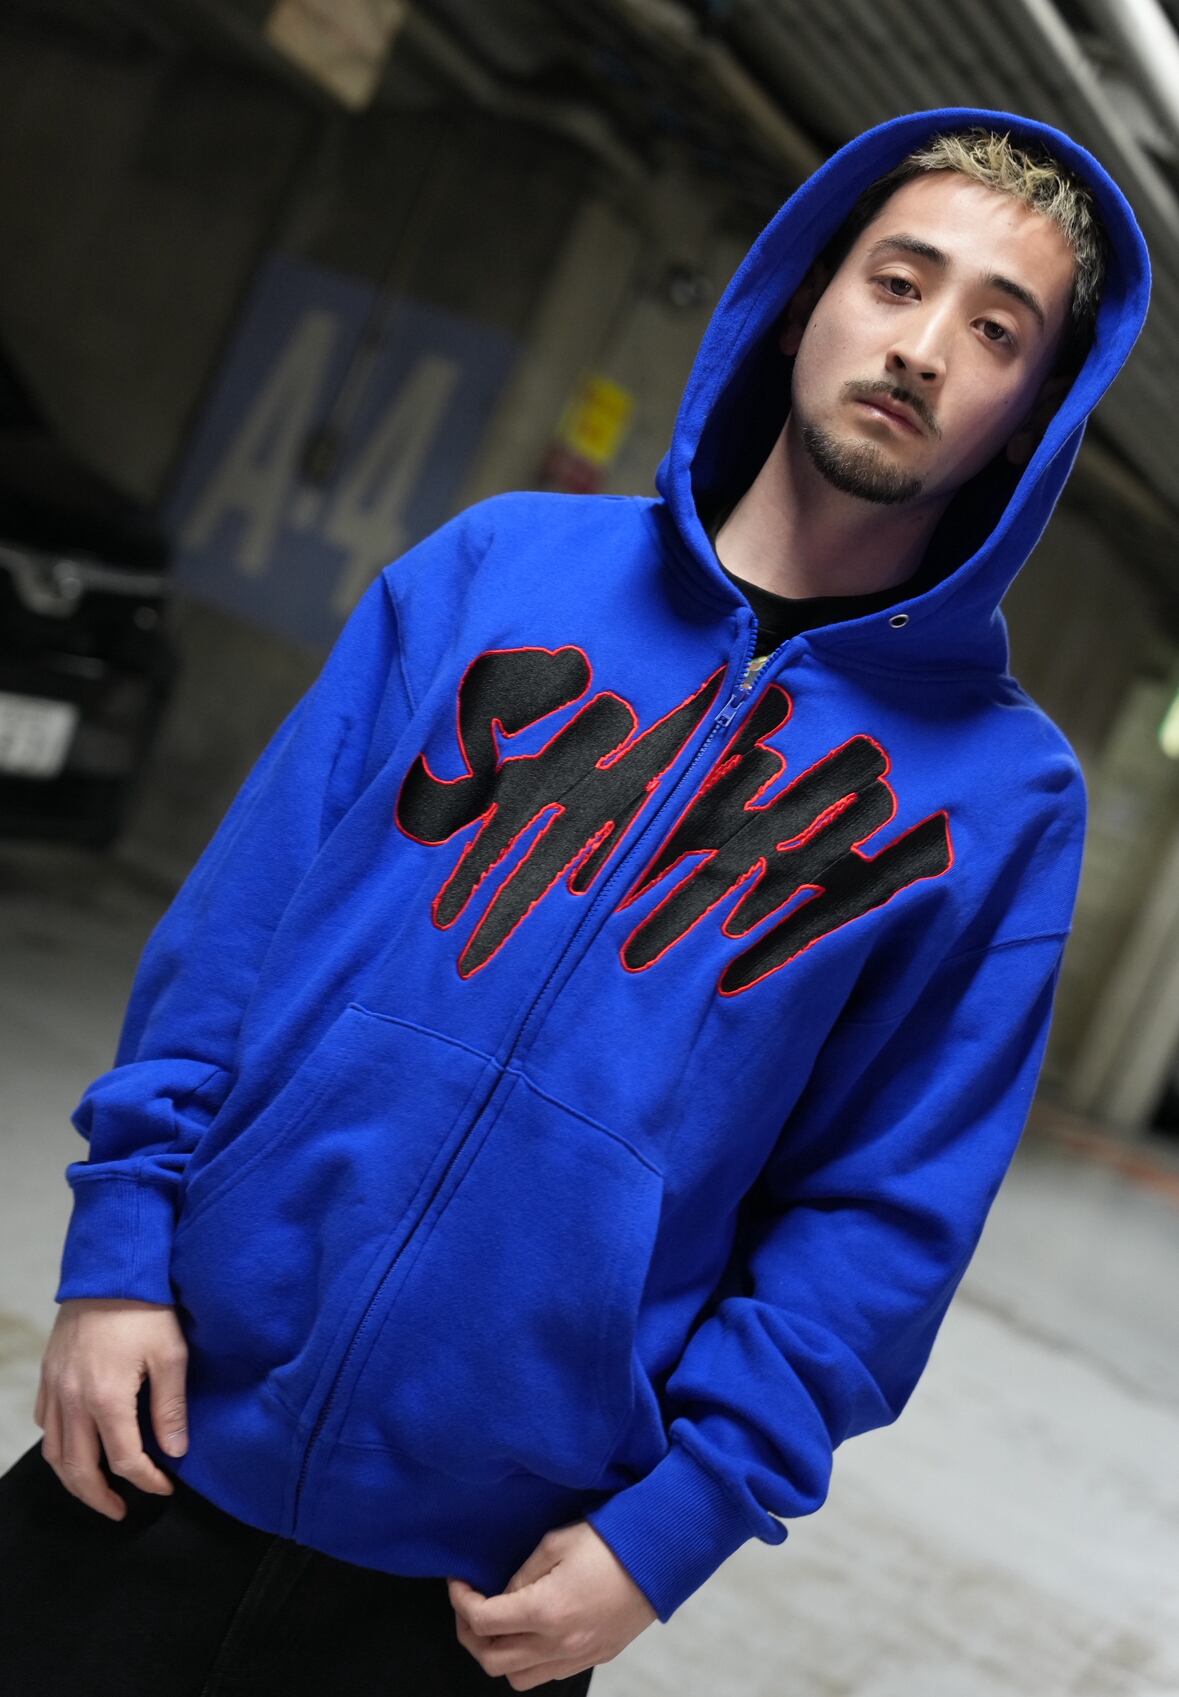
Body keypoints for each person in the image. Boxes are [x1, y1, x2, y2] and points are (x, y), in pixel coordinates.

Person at [0, 104, 1150, 1695]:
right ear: (805, 301)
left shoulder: (1002, 801)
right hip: (159, 1426)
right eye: (898, 280)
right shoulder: (496, 572)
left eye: (998, 329)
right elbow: (236, 931)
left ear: (1035, 411)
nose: (925, 346)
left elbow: (885, 1210)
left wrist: (674, 1525)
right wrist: (122, 1249)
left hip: (481, 1593)